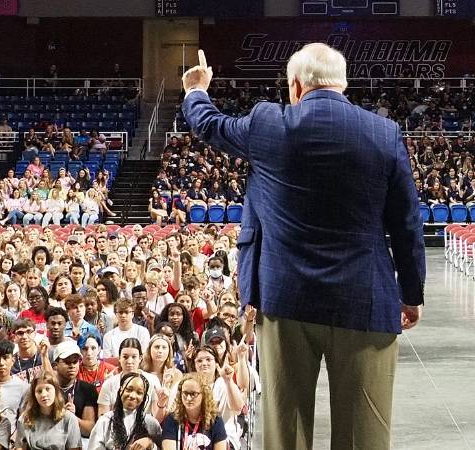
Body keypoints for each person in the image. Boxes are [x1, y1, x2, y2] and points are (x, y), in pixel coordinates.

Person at [182, 45, 426, 449]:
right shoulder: (385, 133)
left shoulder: (267, 123)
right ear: (343, 84)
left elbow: (211, 125)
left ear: (295, 85)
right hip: (365, 301)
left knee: (286, 431)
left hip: (284, 300)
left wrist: (196, 90)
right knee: (363, 433)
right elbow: (406, 224)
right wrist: (411, 293)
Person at [88, 372, 162, 450]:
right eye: (129, 390)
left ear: (144, 398)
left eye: (139, 393)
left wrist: (150, 444)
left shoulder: (152, 424)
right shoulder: (105, 421)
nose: (132, 396)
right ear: (121, 391)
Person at [15, 371, 82, 450]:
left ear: (56, 390)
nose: (44, 394)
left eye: (48, 389)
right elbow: (20, 447)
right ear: (34, 395)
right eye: (39, 391)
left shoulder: (69, 419)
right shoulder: (25, 419)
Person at [161, 372, 227, 450]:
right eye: (185, 393)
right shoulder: (172, 419)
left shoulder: (215, 419)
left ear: (204, 395)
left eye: (193, 394)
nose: (188, 398)